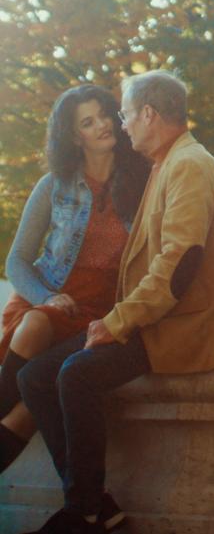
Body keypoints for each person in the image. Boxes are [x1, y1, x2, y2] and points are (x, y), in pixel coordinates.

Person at [18, 69, 214, 534]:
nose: (120, 127)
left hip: (178, 326)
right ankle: (97, 504)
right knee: (33, 376)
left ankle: (81, 513)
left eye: (123, 115)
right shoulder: (167, 163)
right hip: (155, 318)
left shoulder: (189, 165)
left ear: (148, 114)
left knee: (75, 374)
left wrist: (117, 322)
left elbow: (178, 266)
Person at [0, 84, 149, 478]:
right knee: (35, 322)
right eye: (88, 121)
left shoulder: (141, 185)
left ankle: (90, 504)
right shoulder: (54, 186)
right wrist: (46, 297)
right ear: (73, 135)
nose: (102, 125)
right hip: (45, 300)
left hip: (97, 312)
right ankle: (92, 505)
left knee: (28, 411)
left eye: (105, 115)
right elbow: (15, 262)